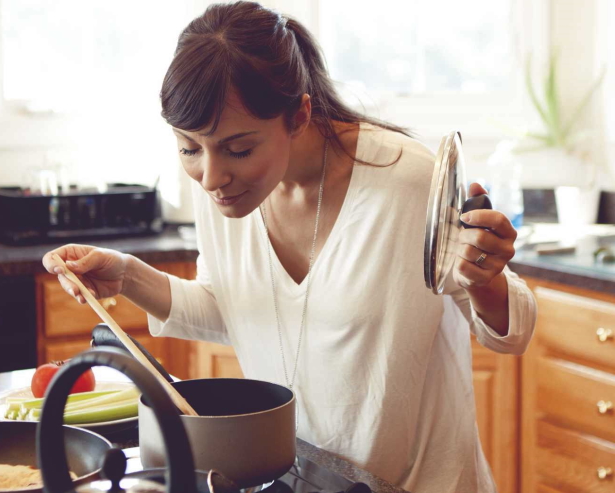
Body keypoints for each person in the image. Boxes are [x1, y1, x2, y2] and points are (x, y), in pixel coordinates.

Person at [42, 2, 536, 491]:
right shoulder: (230, 189)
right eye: (189, 148)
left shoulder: (405, 180)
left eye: (239, 149)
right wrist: (128, 275)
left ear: (299, 115)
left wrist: (484, 278)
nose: (211, 177)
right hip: (303, 478)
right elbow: (236, 309)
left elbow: (512, 333)